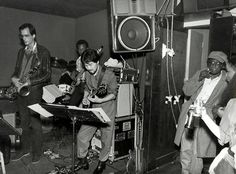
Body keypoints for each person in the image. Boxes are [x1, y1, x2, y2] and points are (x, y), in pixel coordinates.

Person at [174, 51, 229, 174]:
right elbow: (187, 91)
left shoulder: (226, 80)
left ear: (222, 66)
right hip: (191, 113)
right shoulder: (201, 73)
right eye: (210, 62)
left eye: (217, 63)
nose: (213, 66)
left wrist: (216, 111)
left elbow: (227, 100)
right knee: (186, 148)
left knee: (198, 152)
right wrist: (199, 78)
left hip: (207, 116)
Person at [11, 23, 51, 163]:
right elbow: (17, 70)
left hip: (33, 92)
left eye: (27, 35)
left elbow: (47, 75)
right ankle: (24, 149)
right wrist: (14, 79)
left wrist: (30, 82)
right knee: (23, 123)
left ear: (34, 35)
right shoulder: (21, 52)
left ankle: (37, 152)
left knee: (35, 124)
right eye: (22, 36)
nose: (24, 39)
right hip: (20, 91)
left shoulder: (43, 52)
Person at [75, 48, 118, 174]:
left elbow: (114, 94)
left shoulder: (109, 75)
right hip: (94, 109)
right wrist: (85, 98)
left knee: (106, 139)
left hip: (107, 110)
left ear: (97, 61)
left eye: (90, 64)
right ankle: (83, 160)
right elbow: (88, 89)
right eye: (86, 65)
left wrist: (100, 101)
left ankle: (102, 162)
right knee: (82, 136)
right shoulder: (87, 73)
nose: (88, 68)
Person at [69, 39, 89, 106]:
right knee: (72, 103)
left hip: (88, 85)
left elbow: (86, 69)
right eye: (79, 49)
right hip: (80, 84)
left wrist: (80, 74)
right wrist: (75, 80)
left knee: (86, 104)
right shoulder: (78, 60)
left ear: (87, 49)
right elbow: (77, 73)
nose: (81, 51)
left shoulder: (91, 58)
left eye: (83, 49)